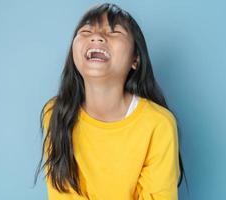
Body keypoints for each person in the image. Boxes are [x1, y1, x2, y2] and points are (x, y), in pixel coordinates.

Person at [34, 3, 188, 200]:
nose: (96, 36)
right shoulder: (56, 113)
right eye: (86, 30)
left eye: (114, 32)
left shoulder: (159, 124)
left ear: (135, 60)